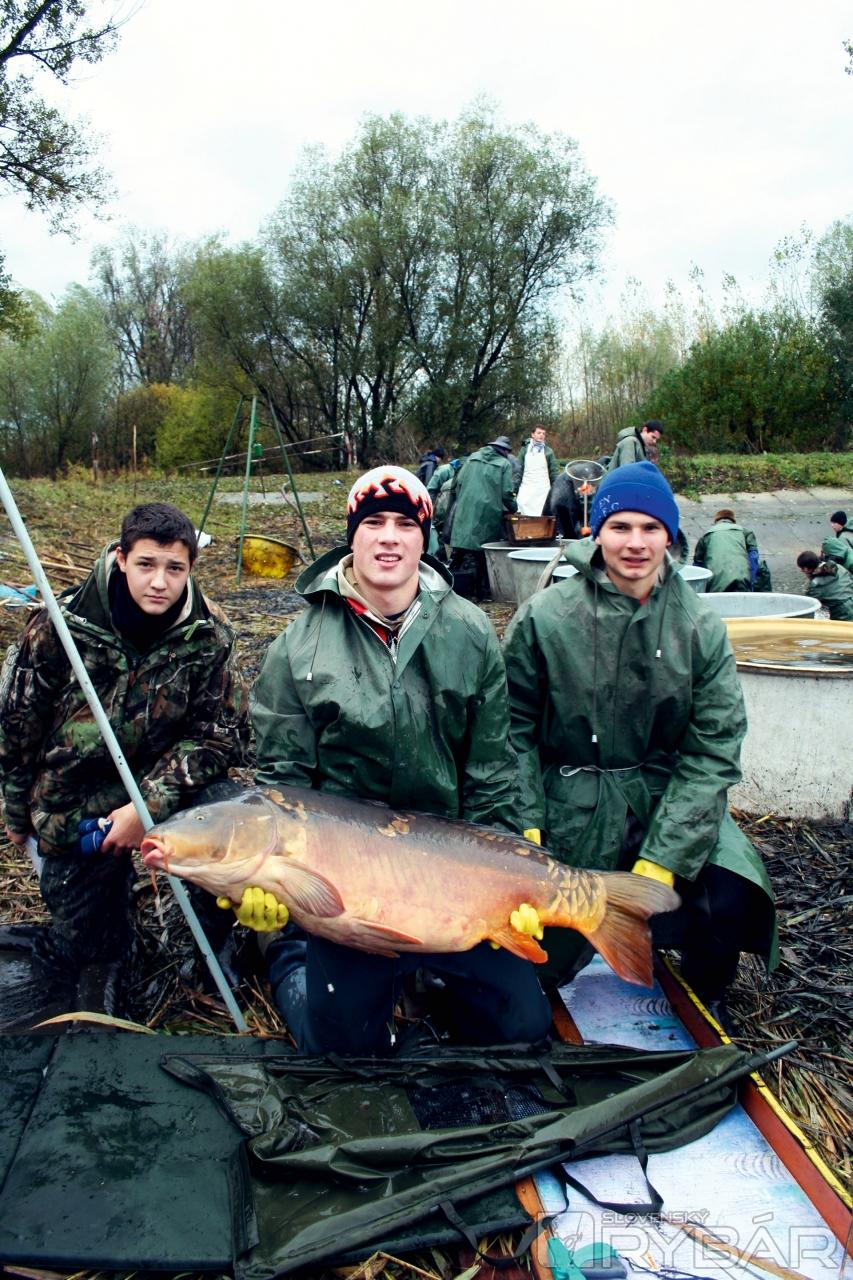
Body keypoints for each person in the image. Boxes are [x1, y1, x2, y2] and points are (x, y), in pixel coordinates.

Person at [250, 465, 551, 1055]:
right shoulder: (298, 646)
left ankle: (429, 970)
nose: (389, 537)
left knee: (520, 1028)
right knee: (340, 1051)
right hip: (347, 885)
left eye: (405, 525)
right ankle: (288, 952)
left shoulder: (470, 632)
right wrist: (271, 880)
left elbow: (492, 773)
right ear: (352, 537)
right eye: (374, 523)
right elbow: (282, 783)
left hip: (450, 872)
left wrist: (510, 864)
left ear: (424, 538)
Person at [502, 461, 776, 1012]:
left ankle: (704, 992)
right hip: (569, 796)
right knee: (535, 962)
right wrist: (524, 824)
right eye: (620, 526)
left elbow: (712, 753)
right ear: (596, 532)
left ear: (669, 535)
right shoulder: (545, 616)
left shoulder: (699, 626)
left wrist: (665, 857)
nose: (635, 543)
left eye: (651, 527)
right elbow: (511, 729)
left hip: (661, 795)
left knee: (732, 889)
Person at [0, 502, 250, 1007]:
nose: (159, 582)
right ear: (120, 558)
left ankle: (208, 944)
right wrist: (16, 812)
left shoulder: (208, 634)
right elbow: (17, 725)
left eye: (174, 568)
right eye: (146, 564)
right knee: (89, 944)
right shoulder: (58, 625)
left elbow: (222, 736)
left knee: (233, 816)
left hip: (168, 785)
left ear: (191, 567)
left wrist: (146, 807)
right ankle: (103, 929)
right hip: (78, 796)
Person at [449, 435, 517, 598]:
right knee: (482, 555)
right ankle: (481, 592)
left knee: (459, 552)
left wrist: (463, 499)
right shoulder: (504, 464)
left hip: (465, 509)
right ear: (505, 451)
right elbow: (507, 493)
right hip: (487, 513)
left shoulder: (472, 458)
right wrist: (514, 508)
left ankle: (449, 587)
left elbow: (457, 482)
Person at [692, 508, 760, 592]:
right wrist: (751, 582)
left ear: (716, 521)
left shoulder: (707, 535)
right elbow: (754, 557)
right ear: (733, 521)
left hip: (715, 584)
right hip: (742, 581)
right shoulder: (745, 532)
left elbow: (697, 565)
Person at [516, 425, 560, 516]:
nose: (541, 435)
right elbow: (518, 470)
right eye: (539, 433)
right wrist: (515, 488)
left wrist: (556, 489)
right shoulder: (524, 450)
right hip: (527, 488)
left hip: (543, 490)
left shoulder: (549, 452)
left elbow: (554, 472)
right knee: (523, 512)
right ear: (533, 434)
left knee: (543, 514)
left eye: (543, 434)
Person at [796, 551, 853, 621]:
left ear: (806, 568)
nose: (801, 571)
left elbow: (807, 604)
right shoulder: (838, 567)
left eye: (802, 568)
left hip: (843, 613)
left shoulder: (815, 585)